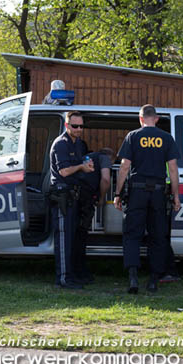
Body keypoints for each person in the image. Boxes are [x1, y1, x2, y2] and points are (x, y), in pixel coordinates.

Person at [114, 104, 181, 294]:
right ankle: (153, 280)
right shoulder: (166, 138)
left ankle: (133, 278)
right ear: (157, 119)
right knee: (158, 236)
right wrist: (176, 195)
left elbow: (125, 166)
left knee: (132, 235)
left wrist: (118, 193)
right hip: (159, 193)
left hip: (137, 192)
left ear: (140, 118)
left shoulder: (133, 136)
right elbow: (173, 169)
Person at [49, 111, 94, 289]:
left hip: (73, 195)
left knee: (73, 238)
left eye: (81, 126)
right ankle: (63, 279)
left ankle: (73, 275)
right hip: (62, 195)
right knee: (63, 239)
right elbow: (64, 172)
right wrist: (82, 167)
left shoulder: (78, 144)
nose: (78, 129)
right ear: (67, 125)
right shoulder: (61, 144)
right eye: (75, 126)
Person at [73, 148, 115, 283]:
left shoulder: (87, 157)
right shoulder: (105, 159)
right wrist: (102, 198)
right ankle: (80, 272)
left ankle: (74, 268)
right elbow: (106, 179)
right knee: (82, 234)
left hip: (74, 196)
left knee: (75, 233)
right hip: (86, 197)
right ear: (111, 157)